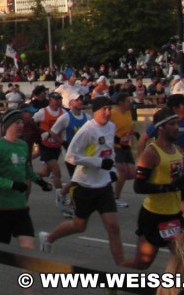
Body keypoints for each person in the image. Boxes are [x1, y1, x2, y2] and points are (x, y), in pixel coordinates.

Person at [38, 97, 126, 265]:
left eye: (110, 109)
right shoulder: (87, 130)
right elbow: (71, 156)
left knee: (114, 228)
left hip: (104, 186)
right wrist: (99, 163)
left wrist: (112, 169)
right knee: (79, 225)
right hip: (85, 185)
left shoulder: (111, 127)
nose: (108, 113)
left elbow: (109, 151)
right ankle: (48, 238)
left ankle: (121, 270)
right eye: (104, 109)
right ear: (95, 111)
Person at [123, 108, 184, 270]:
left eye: (177, 123)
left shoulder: (176, 150)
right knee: (143, 263)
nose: (177, 127)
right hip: (154, 216)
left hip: (174, 216)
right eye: (172, 124)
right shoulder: (151, 153)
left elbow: (174, 179)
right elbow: (138, 186)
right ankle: (114, 277)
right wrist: (167, 188)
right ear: (161, 128)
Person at [0, 109, 48, 249]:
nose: (21, 125)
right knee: (1, 252)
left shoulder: (22, 145)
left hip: (20, 207)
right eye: (17, 122)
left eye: (22, 122)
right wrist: (11, 184)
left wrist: (40, 182)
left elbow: (26, 168)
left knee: (28, 247)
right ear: (8, 125)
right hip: (0, 209)